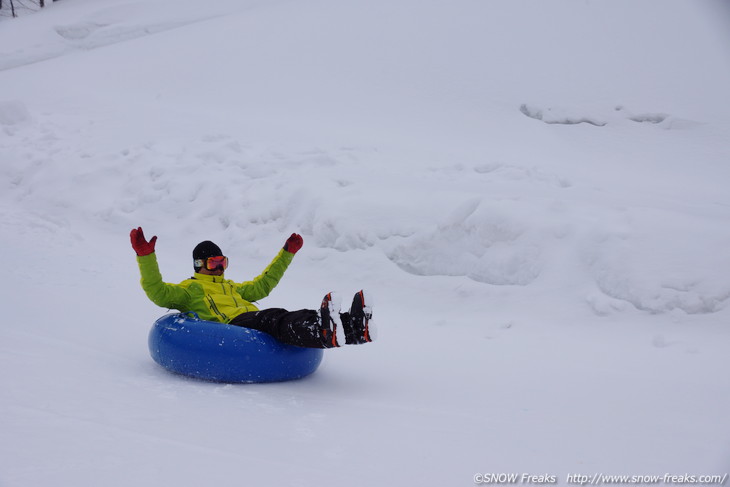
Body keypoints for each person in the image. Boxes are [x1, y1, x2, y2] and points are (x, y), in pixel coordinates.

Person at [130, 227, 374, 349]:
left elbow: (263, 285)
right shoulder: (189, 290)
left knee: (280, 314)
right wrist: (146, 257)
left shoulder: (231, 287)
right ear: (199, 265)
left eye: (223, 262)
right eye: (214, 263)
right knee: (271, 317)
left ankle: (354, 327)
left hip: (252, 319)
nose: (220, 268)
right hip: (232, 328)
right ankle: (323, 329)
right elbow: (157, 292)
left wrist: (287, 253)